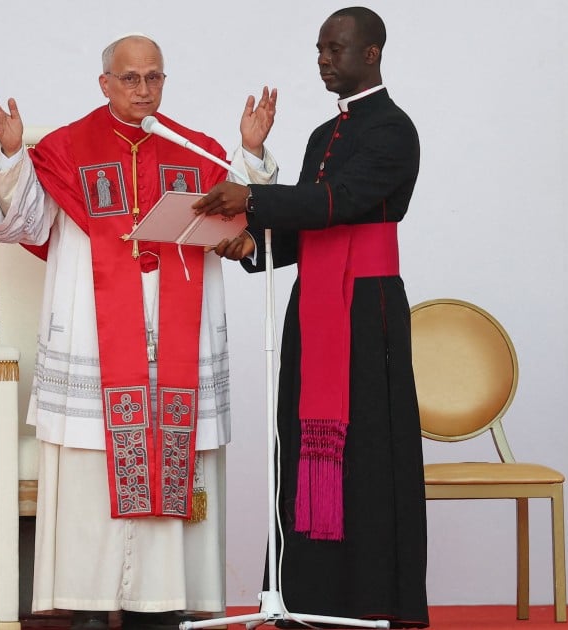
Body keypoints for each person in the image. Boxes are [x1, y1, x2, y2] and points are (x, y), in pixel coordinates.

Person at [0, 34, 277, 630]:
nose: (143, 90)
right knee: (93, 468)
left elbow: (243, 213)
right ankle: (87, 601)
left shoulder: (192, 148)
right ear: (105, 83)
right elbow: (24, 224)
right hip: (93, 332)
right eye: (130, 79)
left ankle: (162, 600)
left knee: (172, 457)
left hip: (176, 336)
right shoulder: (65, 148)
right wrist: (14, 159)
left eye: (154, 78)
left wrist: (250, 153)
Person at [194, 7, 428, 628]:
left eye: (336, 49)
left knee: (368, 449)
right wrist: (250, 243)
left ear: (371, 53)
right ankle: (310, 597)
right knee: (304, 445)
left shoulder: (394, 129)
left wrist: (253, 199)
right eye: (319, 49)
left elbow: (343, 201)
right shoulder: (323, 135)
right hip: (315, 301)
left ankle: (375, 600)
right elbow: (304, 227)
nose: (323, 59)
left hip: (368, 307)